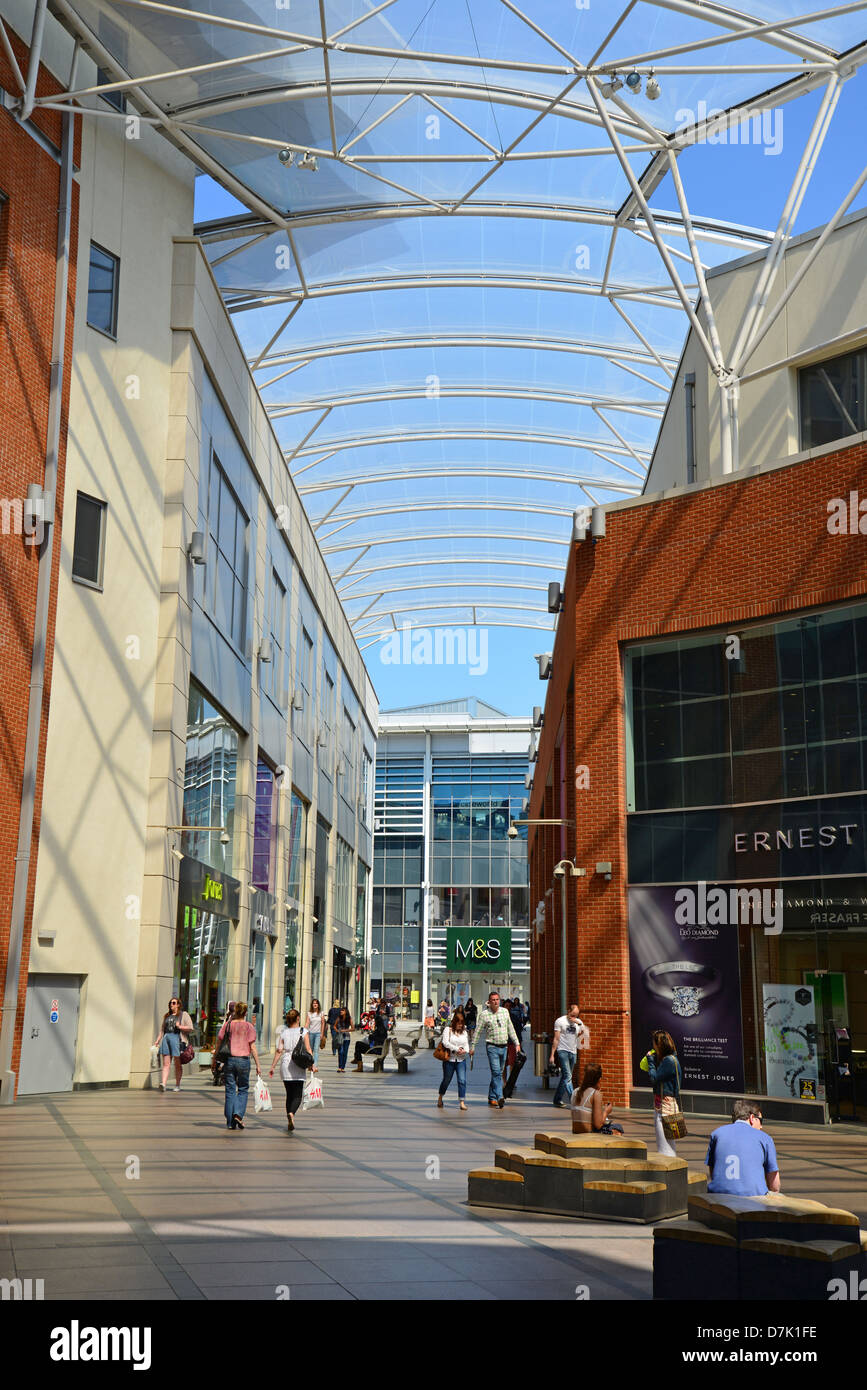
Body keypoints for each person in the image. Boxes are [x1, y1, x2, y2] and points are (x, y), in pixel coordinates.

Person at [706, 1100, 781, 1196]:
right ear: (752, 1118)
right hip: (753, 1200)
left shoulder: (716, 1134)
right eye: (761, 1121)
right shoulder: (765, 1138)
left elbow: (713, 1170)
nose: (761, 1126)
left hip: (718, 1196)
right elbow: (774, 1185)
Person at [470, 991, 520, 1108]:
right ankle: (499, 1096)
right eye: (493, 1000)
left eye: (497, 999)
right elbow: (477, 1032)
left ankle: (491, 1097)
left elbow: (510, 1028)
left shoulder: (505, 1012)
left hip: (504, 1047)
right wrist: (473, 1046)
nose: (495, 1001)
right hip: (492, 1047)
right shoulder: (484, 1015)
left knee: (497, 1073)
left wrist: (517, 1043)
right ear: (489, 1002)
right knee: (497, 1073)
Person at [216, 1001, 261, 1130]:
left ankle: (230, 1122)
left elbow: (219, 1041)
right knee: (242, 1088)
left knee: (230, 1090)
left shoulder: (228, 1025)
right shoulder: (248, 1027)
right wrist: (258, 1065)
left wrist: (215, 1059)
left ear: (235, 1011)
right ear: (246, 1013)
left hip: (230, 1060)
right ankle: (238, 1114)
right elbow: (252, 1047)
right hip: (243, 1060)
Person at [269, 1008, 313, 1132]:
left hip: (286, 1063)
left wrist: (272, 1066)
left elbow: (279, 1051)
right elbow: (308, 1049)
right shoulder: (303, 1031)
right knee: (298, 1094)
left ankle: (289, 1114)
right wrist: (312, 1064)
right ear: (298, 1018)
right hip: (298, 1063)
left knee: (289, 1094)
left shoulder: (284, 1032)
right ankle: (292, 1114)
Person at [643, 1029, 683, 1157]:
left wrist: (650, 1061)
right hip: (664, 1105)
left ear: (659, 1045)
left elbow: (654, 1078)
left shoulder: (668, 1062)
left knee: (664, 1144)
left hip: (664, 1108)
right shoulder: (671, 1059)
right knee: (667, 1142)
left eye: (654, 1043)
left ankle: (668, 1169)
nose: (653, 1046)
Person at [153, 997, 194, 1092]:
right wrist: (157, 1040)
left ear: (178, 1004)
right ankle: (163, 1083)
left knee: (177, 1063)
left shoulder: (183, 1014)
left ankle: (177, 1084)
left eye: (174, 1003)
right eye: (171, 1003)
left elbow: (190, 1028)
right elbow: (162, 1030)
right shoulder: (167, 1016)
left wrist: (180, 1026)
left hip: (177, 1039)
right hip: (166, 1038)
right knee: (166, 1063)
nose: (172, 1004)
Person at [571, 1063, 624, 1134]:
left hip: (576, 1132)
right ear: (599, 1079)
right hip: (589, 1133)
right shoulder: (595, 1094)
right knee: (618, 1128)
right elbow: (598, 1125)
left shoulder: (575, 1091)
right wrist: (606, 1111)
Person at [549, 1003, 584, 1108]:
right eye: (573, 1014)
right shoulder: (560, 1021)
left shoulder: (578, 1022)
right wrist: (552, 1054)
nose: (574, 1017)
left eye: (576, 1015)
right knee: (568, 1076)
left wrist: (578, 1023)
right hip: (562, 1050)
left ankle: (557, 1099)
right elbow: (556, 1038)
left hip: (573, 1051)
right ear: (568, 1011)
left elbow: (581, 1033)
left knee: (566, 1077)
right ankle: (574, 1101)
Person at [437, 1008, 470, 1110]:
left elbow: (467, 1045)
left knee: (462, 1080)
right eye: (458, 1023)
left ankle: (462, 1102)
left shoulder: (464, 1031)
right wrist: (456, 1049)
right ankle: (440, 1097)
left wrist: (465, 1051)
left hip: (461, 1060)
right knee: (446, 1080)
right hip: (449, 1060)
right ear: (454, 1022)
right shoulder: (448, 1030)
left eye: (462, 1023)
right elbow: (445, 1043)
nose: (460, 1025)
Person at [305, 998, 325, 1072]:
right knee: (310, 1050)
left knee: (316, 1050)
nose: (315, 1004)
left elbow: (323, 1023)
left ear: (318, 1005)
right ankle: (310, 1065)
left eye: (316, 1003)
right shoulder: (309, 1013)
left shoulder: (321, 1013)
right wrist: (304, 1031)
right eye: (313, 1003)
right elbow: (307, 1023)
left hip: (318, 1034)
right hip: (310, 1033)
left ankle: (315, 1066)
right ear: (312, 1005)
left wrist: (322, 1033)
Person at [333, 1006, 353, 1073]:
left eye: (343, 1010)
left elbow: (353, 1028)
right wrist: (337, 1031)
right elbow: (334, 1026)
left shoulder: (349, 1019)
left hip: (347, 1038)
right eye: (341, 1010)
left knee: (345, 1053)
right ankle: (339, 1067)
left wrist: (345, 1030)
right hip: (340, 1037)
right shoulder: (338, 1018)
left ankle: (343, 1067)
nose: (341, 1011)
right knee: (340, 1052)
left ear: (346, 1012)